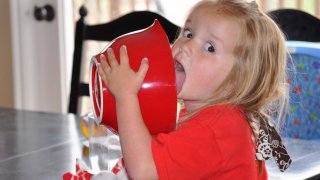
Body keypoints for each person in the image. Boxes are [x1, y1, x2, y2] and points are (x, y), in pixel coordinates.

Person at [97, 0, 292, 179]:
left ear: (236, 81)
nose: (187, 46)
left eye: (209, 47)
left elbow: (145, 172)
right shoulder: (217, 117)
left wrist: (126, 96)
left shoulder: (213, 130)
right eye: (188, 33)